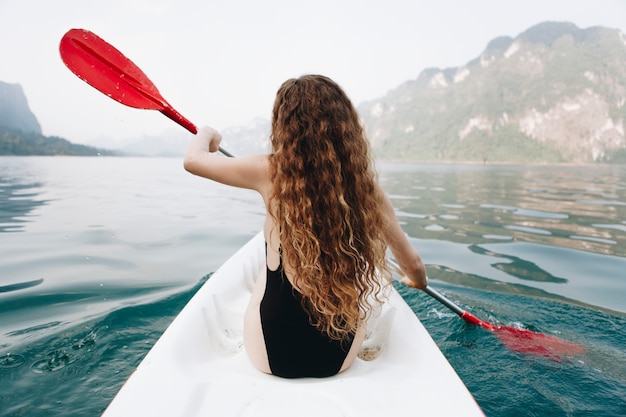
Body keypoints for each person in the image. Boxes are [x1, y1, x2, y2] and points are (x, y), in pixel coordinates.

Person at [184, 74, 427, 378]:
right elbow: (413, 264)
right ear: (344, 127)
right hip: (336, 359)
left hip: (272, 356)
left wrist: (206, 134)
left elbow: (193, 160)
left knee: (268, 263)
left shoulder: (268, 172)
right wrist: (418, 281)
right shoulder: (367, 190)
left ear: (284, 127)